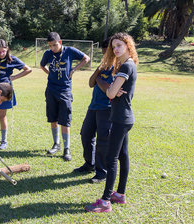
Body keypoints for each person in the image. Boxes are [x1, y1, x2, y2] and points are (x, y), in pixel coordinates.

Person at [85, 32, 138, 213]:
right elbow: (112, 91)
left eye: (119, 46)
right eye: (113, 46)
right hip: (124, 117)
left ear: (128, 46)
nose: (115, 49)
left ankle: (106, 200)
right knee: (123, 155)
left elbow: (109, 93)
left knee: (112, 158)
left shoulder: (125, 67)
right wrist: (113, 89)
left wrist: (113, 89)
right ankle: (120, 194)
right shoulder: (127, 65)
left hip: (120, 118)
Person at [40, 32, 90, 161]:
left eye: (55, 45)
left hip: (65, 91)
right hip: (51, 89)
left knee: (65, 120)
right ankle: (56, 144)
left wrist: (74, 70)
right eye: (50, 46)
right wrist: (49, 74)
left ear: (60, 42)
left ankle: (66, 149)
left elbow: (86, 58)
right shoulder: (48, 54)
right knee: (53, 119)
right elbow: (42, 65)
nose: (53, 48)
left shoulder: (70, 51)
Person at [73, 39, 113, 184]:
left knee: (103, 141)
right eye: (103, 53)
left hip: (106, 108)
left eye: (106, 53)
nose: (104, 55)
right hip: (93, 106)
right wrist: (99, 70)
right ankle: (90, 164)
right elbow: (91, 83)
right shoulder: (103, 65)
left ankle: (102, 172)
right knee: (86, 134)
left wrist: (99, 79)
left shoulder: (117, 67)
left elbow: (107, 89)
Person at [0, 39, 32, 150]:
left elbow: (28, 69)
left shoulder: (12, 59)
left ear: (7, 49)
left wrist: (13, 77)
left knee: (2, 116)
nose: (1, 54)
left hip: (5, 92)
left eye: (3, 51)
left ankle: (4, 141)